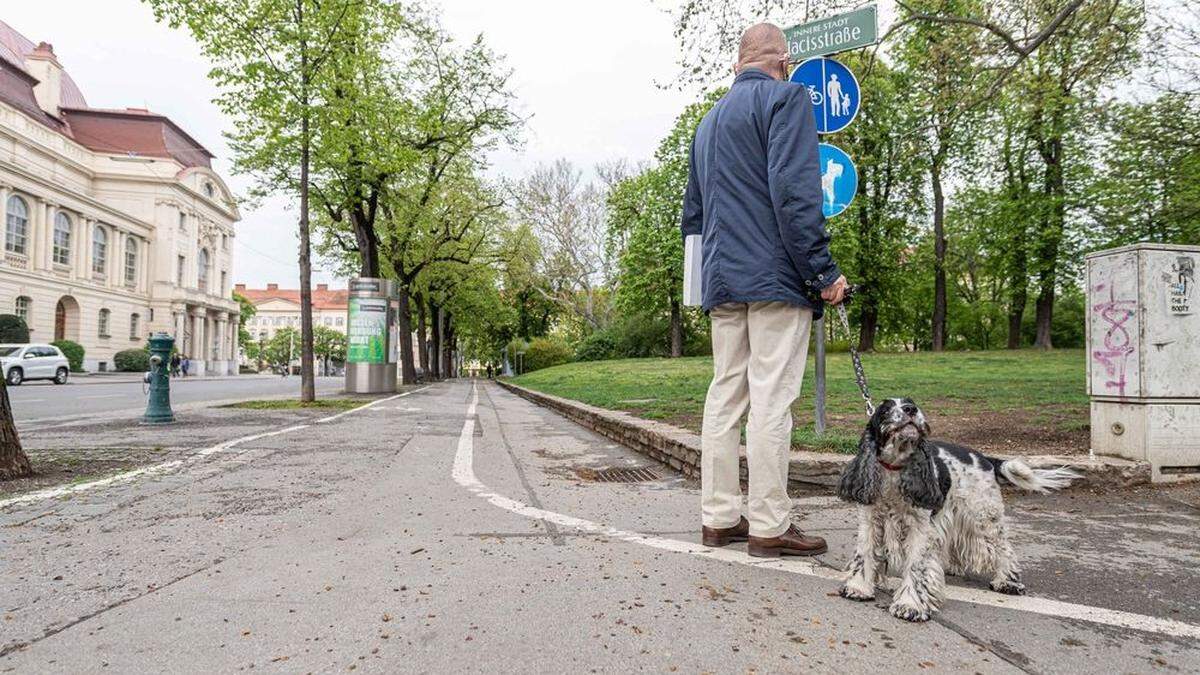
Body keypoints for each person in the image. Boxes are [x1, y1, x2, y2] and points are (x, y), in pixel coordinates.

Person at [682, 23, 848, 558]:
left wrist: (700, 286)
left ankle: (719, 518)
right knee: (772, 399)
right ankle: (770, 526)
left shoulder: (707, 123)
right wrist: (823, 272)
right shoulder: (787, 99)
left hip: (722, 279)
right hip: (776, 277)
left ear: (739, 64)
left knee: (724, 395)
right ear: (783, 61)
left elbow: (695, 216)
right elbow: (795, 192)